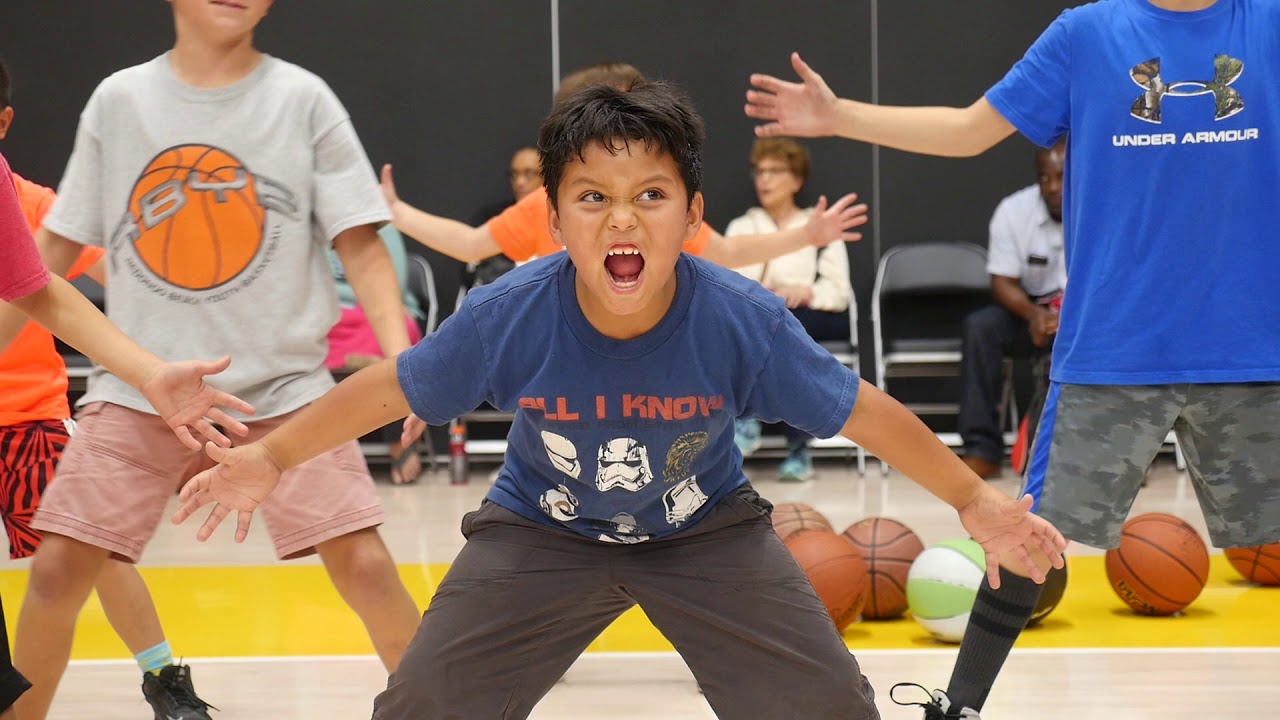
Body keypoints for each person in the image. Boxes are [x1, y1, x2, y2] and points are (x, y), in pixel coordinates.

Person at [173, 80, 1066, 720]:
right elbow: (388, 390)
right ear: (554, 222)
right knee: (424, 705)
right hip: (541, 530)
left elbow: (865, 412)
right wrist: (268, 455)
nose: (623, 219)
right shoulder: (510, 313)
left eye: (651, 196)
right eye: (592, 199)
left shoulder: (738, 319)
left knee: (830, 707)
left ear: (691, 216)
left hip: (705, 531)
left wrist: (975, 499)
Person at [744, 0, 1280, 715]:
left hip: (1255, 346)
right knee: (1028, 533)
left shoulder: (1269, 22)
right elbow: (970, 130)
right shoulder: (1088, 32)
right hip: (1111, 350)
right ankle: (960, 705)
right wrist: (842, 117)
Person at [8, 1, 424, 718]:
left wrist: (408, 364)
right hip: (139, 389)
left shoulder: (303, 99)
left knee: (365, 566)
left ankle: (440, 705)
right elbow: (47, 257)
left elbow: (361, 244)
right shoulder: (120, 101)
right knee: (56, 572)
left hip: (285, 389)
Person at [0, 58, 225, 718]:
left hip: (29, 418)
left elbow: (97, 284)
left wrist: (157, 364)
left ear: (5, 122)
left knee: (92, 556)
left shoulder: (32, 204)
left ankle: (163, 677)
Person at [379, 62, 868, 276]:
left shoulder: (660, 207)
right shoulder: (540, 208)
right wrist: (397, 213)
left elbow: (727, 250)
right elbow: (470, 244)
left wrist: (807, 235)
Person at [728, 137, 851, 481]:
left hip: (811, 315)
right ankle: (795, 448)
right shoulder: (742, 226)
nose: (764, 179)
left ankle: (751, 422)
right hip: (757, 318)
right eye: (759, 171)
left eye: (775, 171)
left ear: (796, 180)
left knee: (788, 328)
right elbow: (725, 285)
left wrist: (805, 291)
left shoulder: (818, 223)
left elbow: (839, 292)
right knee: (759, 325)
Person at [958, 138, 1065, 480]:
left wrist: (1073, 321)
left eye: (1062, 177)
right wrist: (1035, 316)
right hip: (1031, 312)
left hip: (1087, 318)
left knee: (1121, 333)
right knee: (981, 327)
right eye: (1045, 178)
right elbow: (1002, 282)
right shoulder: (1013, 211)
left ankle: (1114, 454)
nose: (1053, 187)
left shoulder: (1106, 208)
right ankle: (982, 450)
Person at [324, 224, 427, 484]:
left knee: (397, 331)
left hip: (371, 313)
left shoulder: (385, 230)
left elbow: (392, 284)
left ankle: (400, 444)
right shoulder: (310, 228)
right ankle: (359, 361)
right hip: (330, 317)